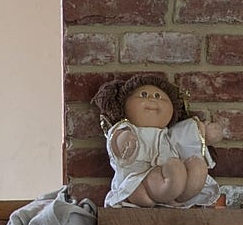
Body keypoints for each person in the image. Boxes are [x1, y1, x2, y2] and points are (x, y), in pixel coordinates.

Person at [92, 73, 218, 208]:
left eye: (158, 96)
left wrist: (206, 133)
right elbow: (117, 140)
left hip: (170, 176)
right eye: (144, 95)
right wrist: (124, 141)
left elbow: (190, 135)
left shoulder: (170, 134)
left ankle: (181, 196)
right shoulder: (128, 129)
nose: (152, 99)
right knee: (175, 169)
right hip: (139, 181)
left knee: (197, 166)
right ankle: (170, 193)